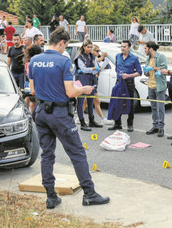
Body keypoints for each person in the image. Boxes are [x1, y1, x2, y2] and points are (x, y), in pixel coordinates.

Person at [28, 27, 110, 209]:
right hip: (60, 114)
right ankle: (89, 193)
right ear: (62, 43)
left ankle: (50, 196)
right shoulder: (64, 62)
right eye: (65, 45)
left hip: (41, 111)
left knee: (47, 154)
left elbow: (32, 90)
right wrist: (84, 89)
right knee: (77, 153)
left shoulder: (34, 60)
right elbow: (71, 92)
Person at [108, 40, 142, 132]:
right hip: (119, 82)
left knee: (130, 104)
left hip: (129, 83)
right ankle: (117, 124)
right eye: (121, 46)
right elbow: (116, 69)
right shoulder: (117, 56)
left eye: (124, 47)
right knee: (116, 102)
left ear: (129, 48)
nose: (122, 48)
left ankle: (130, 124)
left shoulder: (134, 58)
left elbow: (139, 72)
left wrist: (128, 76)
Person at [74, 39, 103, 131]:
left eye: (91, 47)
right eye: (88, 47)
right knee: (81, 101)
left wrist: (95, 69)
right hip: (82, 80)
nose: (90, 49)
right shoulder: (79, 57)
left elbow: (92, 69)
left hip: (91, 79)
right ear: (84, 47)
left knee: (91, 101)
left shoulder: (92, 56)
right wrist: (93, 68)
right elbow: (83, 69)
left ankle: (91, 120)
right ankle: (82, 122)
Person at [143, 41, 168, 137]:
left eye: (145, 48)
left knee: (160, 107)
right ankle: (155, 125)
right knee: (153, 107)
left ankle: (161, 128)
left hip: (159, 86)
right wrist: (145, 71)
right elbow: (147, 72)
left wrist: (152, 68)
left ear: (150, 48)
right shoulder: (148, 58)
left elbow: (164, 68)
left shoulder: (161, 56)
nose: (145, 50)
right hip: (150, 85)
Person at [91, 44, 114, 125]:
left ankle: (102, 119)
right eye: (97, 51)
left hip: (94, 81)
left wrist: (101, 67)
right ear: (92, 51)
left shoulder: (94, 59)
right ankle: (79, 118)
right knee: (86, 102)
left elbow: (97, 69)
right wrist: (103, 58)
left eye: (99, 51)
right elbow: (96, 62)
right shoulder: (91, 58)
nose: (98, 52)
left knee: (96, 101)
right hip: (90, 82)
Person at [24, 44, 42, 113]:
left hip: (31, 85)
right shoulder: (32, 63)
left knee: (33, 103)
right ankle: (32, 118)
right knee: (33, 103)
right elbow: (30, 75)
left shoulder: (28, 62)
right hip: (34, 85)